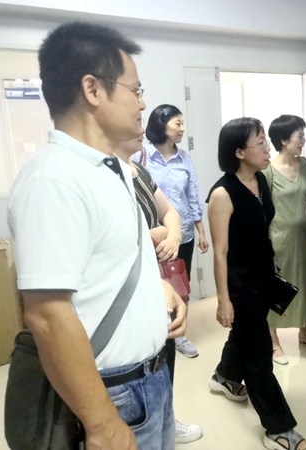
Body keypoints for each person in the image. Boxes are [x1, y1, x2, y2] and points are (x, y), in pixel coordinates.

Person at [7, 22, 187, 449]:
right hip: (112, 393)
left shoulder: (114, 169)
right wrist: (103, 423)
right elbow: (47, 314)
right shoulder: (53, 179)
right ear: (92, 89)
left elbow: (109, 263)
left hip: (150, 379)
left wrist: (158, 289)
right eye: (135, 90)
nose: (142, 103)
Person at [207, 117, 306, 450]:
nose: (268, 148)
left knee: (245, 336)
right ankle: (278, 427)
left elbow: (262, 232)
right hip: (240, 285)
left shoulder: (260, 181)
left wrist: (272, 269)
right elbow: (220, 252)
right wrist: (223, 300)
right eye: (261, 143)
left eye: (266, 141)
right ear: (239, 152)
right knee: (259, 354)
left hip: (262, 276)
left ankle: (224, 376)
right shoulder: (222, 194)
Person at [116, 133, 203, 444]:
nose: (140, 129)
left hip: (160, 277)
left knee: (165, 350)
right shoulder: (108, 178)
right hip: (131, 285)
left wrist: (174, 234)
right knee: (144, 354)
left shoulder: (140, 172)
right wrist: (159, 233)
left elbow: (170, 213)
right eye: (136, 120)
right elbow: (124, 236)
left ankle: (166, 414)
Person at [132, 104, 208, 359]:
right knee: (154, 284)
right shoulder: (141, 156)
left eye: (182, 123)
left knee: (180, 283)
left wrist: (200, 230)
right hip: (153, 238)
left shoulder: (184, 158)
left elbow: (193, 194)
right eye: (178, 123)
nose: (182, 128)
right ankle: (156, 333)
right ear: (161, 126)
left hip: (183, 233)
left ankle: (179, 335)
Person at [263, 114, 306, 366]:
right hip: (278, 240)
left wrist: (300, 209)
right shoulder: (268, 171)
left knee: (303, 284)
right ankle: (273, 342)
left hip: (302, 238)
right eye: (300, 135)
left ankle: (304, 332)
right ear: (284, 140)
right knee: (278, 287)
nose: (303, 140)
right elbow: (263, 209)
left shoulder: (305, 165)